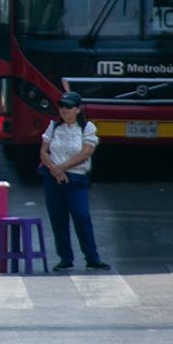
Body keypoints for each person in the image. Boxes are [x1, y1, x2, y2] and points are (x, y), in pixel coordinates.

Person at [40, 92, 110, 272]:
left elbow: (85, 152)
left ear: (78, 109)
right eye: (62, 106)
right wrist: (55, 170)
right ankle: (65, 258)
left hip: (76, 177)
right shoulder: (54, 126)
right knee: (58, 218)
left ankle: (92, 257)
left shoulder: (87, 127)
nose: (65, 110)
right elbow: (44, 151)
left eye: (69, 107)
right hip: (53, 177)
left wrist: (62, 167)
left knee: (81, 216)